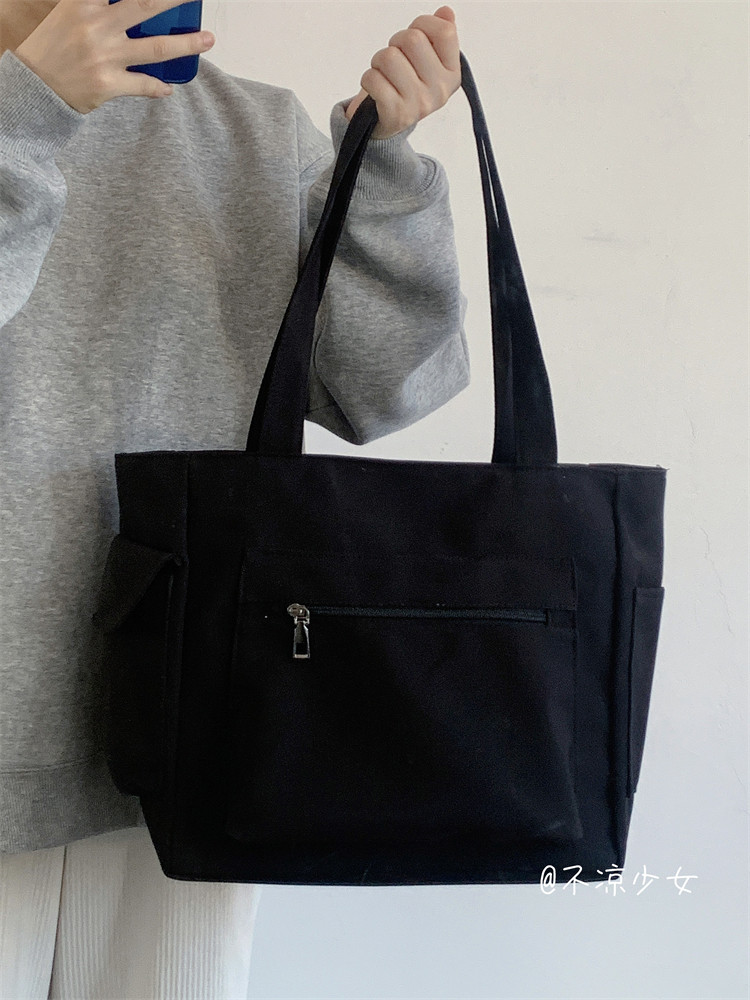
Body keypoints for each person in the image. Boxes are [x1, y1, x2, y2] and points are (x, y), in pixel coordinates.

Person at [0, 0, 470, 995]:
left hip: (195, 731)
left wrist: (382, 170)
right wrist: (29, 108)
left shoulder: (258, 132)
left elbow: (383, 391)